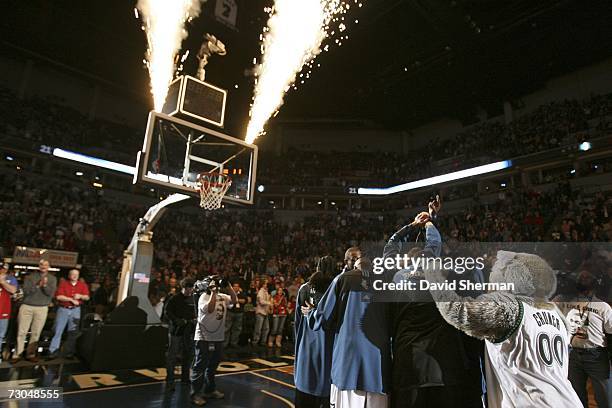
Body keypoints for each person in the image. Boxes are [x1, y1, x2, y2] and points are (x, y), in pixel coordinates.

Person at [424, 250, 582, 407]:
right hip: (569, 400)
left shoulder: (509, 307)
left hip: (532, 403)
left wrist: (432, 273)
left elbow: (456, 310)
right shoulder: (556, 314)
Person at [304, 249, 391, 408]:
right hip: (377, 363)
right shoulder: (386, 282)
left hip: (348, 361)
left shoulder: (342, 280)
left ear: (350, 263)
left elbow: (323, 318)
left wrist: (311, 313)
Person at [555, 266, 612, 407]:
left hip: (597, 355)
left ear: (595, 282)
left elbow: (611, 334)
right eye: (580, 277)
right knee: (576, 399)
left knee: (604, 398)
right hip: (573, 354)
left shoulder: (603, 306)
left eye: (586, 277)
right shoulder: (566, 302)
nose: (582, 279)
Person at [294, 256, 336, 408]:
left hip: (307, 347)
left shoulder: (305, 288)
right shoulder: (338, 288)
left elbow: (298, 322)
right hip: (330, 349)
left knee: (305, 392)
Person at [191, 277, 237, 406]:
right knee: (200, 366)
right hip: (203, 337)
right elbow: (210, 309)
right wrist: (213, 293)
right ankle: (195, 394)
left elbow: (234, 300)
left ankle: (209, 390)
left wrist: (228, 286)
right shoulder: (203, 297)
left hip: (218, 337)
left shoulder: (223, 296)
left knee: (212, 365)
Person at [12, 259, 57, 363]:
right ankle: (17, 354)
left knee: (36, 332)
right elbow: (26, 292)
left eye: (46, 264)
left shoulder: (52, 279)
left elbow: (50, 294)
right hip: (27, 306)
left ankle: (30, 354)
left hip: (42, 308)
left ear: (49, 266)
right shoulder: (30, 277)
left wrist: (45, 286)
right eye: (41, 264)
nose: (43, 266)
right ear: (38, 266)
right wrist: (37, 286)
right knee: (21, 331)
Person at [48, 269, 89, 359]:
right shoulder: (63, 284)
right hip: (63, 309)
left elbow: (87, 297)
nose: (74, 276)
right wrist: (71, 300)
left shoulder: (82, 285)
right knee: (58, 330)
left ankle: (69, 352)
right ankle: (53, 351)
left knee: (73, 332)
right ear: (69, 276)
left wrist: (80, 296)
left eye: (76, 275)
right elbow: (59, 296)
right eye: (73, 274)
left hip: (76, 310)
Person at [164, 278, 196, 392]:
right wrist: (176, 320)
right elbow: (167, 312)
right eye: (188, 287)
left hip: (188, 331)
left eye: (191, 287)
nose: (190, 290)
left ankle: (185, 378)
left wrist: (194, 320)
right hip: (176, 331)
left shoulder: (193, 299)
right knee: (172, 356)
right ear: (183, 287)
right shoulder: (175, 298)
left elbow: (196, 313)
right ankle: (170, 381)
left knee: (187, 355)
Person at [0, 262, 18, 360]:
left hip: (3, 311)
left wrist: (3, 282)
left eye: (4, 268)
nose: (2, 270)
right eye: (1, 268)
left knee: (1, 335)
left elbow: (13, 290)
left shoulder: (11, 279)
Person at [224, 282, 247, 348]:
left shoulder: (242, 294)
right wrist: (236, 300)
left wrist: (236, 300)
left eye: (237, 286)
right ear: (232, 287)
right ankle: (225, 343)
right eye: (235, 286)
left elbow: (245, 300)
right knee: (227, 328)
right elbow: (228, 301)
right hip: (230, 312)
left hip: (239, 313)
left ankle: (234, 343)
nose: (236, 288)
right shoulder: (229, 293)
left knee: (237, 329)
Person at [268, 280, 288, 348]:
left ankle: (278, 342)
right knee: (275, 328)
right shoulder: (274, 297)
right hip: (276, 314)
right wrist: (281, 298)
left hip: (283, 314)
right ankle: (270, 341)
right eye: (279, 290)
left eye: (281, 290)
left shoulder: (284, 298)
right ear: (277, 291)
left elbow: (286, 305)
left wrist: (285, 301)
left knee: (280, 329)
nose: (280, 292)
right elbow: (276, 305)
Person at [252, 281, 271, 346]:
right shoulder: (260, 292)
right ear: (262, 285)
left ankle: (263, 342)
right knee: (258, 328)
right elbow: (261, 302)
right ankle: (255, 342)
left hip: (265, 312)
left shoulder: (266, 291)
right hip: (260, 312)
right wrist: (269, 303)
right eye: (265, 284)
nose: (266, 285)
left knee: (266, 328)